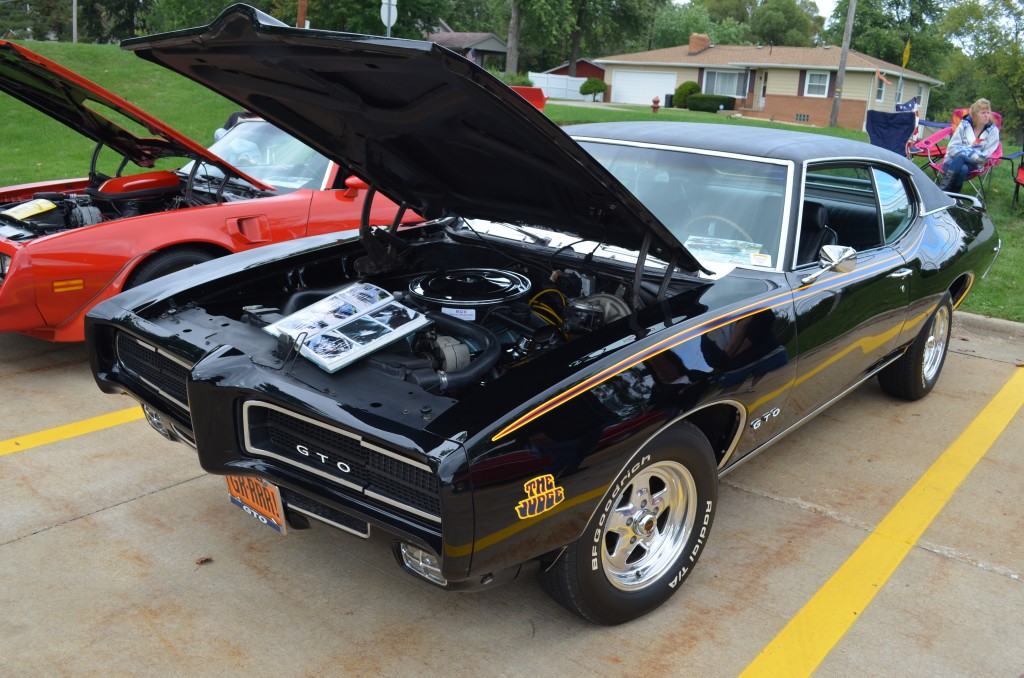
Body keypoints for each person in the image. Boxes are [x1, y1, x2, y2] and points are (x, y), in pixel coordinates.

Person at [939, 98, 999, 193]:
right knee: (963, 168)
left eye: (988, 112)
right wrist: (970, 153)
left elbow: (987, 153)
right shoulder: (964, 125)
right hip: (952, 161)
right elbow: (951, 148)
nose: (987, 115)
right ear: (975, 115)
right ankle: (953, 195)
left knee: (961, 158)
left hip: (975, 163)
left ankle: (942, 191)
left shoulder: (993, 131)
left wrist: (970, 154)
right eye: (983, 113)